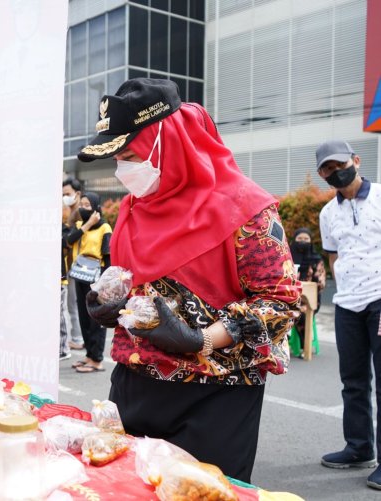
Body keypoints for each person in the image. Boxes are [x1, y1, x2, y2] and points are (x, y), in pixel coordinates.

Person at [79, 78, 300, 482]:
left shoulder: (246, 211)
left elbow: (280, 304)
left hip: (216, 396)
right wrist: (111, 302)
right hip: (135, 384)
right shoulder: (134, 208)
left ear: (165, 146)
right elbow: (135, 283)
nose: (122, 170)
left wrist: (202, 339)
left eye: (129, 156)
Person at [315, 139, 381, 490]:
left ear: (355, 160)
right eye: (326, 169)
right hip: (347, 304)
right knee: (353, 381)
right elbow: (333, 256)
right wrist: (343, 282)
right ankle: (359, 448)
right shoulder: (328, 213)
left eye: (338, 164)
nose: (334, 172)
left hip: (380, 299)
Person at [66, 192, 112, 373]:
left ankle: (97, 360)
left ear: (95, 208)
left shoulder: (105, 227)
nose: (83, 208)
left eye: (87, 205)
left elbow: (108, 256)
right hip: (80, 273)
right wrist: (88, 224)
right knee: (84, 316)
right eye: (82, 204)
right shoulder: (81, 225)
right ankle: (89, 355)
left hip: (97, 276)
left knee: (96, 317)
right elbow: (69, 240)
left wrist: (105, 283)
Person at [288, 227, 326, 357]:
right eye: (299, 239)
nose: (303, 241)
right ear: (294, 240)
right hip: (289, 297)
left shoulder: (316, 259)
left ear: (310, 241)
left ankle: (306, 347)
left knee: (300, 312)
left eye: (306, 239)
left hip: (310, 300)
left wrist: (311, 283)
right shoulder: (287, 258)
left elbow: (321, 284)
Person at [62, 177, 85, 350]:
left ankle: (77, 338)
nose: (65, 198)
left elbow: (70, 240)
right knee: (74, 303)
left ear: (77, 194)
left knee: (74, 304)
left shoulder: (80, 214)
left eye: (67, 194)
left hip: (79, 265)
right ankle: (78, 337)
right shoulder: (67, 213)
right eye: (63, 194)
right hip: (71, 264)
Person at [59, 205, 72, 361]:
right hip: (44, 276)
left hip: (59, 277)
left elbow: (69, 240)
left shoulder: (63, 229)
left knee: (60, 314)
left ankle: (63, 348)